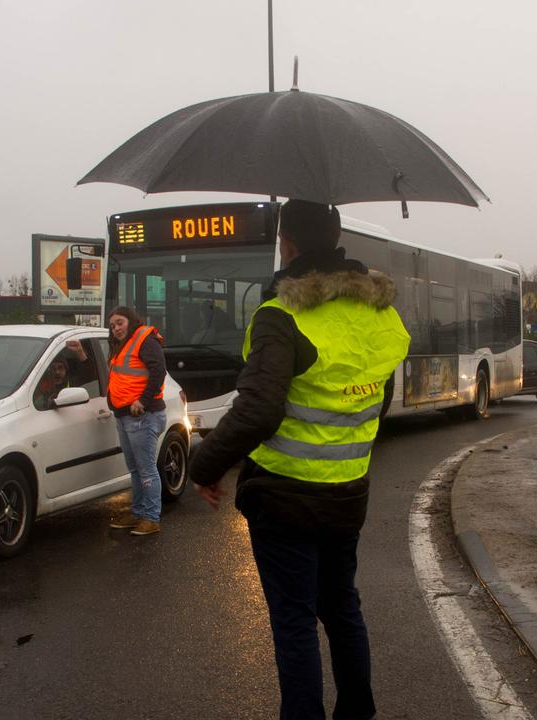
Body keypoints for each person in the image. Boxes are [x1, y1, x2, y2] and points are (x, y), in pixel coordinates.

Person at [189, 199, 410, 720]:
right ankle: (357, 713)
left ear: (286, 245)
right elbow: (377, 399)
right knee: (342, 608)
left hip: (284, 496)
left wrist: (204, 465)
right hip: (348, 491)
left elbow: (258, 410)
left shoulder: (280, 315)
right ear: (335, 240)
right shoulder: (380, 313)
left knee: (295, 622)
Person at [103, 306, 168, 536]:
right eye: (112, 326)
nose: (116, 328)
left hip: (142, 415)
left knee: (146, 469)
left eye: (120, 322)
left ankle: (151, 518)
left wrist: (143, 400)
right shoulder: (124, 345)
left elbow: (159, 371)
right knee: (135, 468)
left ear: (130, 320)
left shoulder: (144, 339)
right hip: (126, 416)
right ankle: (139, 512)